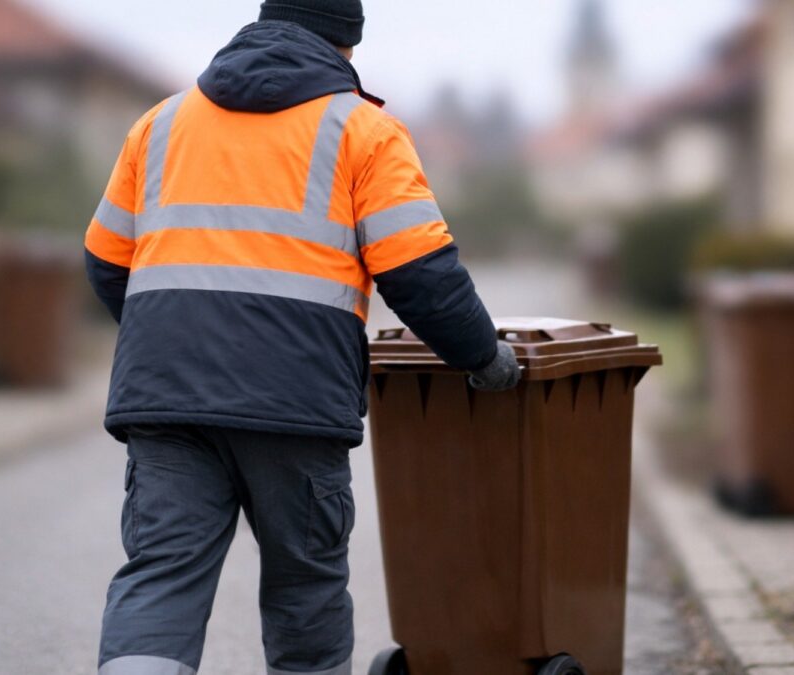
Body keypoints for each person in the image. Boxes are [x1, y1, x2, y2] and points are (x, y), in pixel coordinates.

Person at [84, 1, 521, 673]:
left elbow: (106, 261)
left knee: (162, 575)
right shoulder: (364, 132)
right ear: (348, 45)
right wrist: (484, 357)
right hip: (295, 404)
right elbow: (420, 274)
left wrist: (176, 342)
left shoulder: (162, 123)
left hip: (166, 400)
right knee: (303, 592)